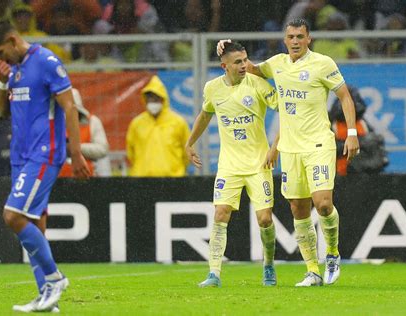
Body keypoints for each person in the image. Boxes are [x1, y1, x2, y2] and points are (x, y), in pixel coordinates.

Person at [217, 18, 360, 287]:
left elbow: (344, 96)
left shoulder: (323, 63)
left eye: (299, 36)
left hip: (318, 143)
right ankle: (312, 270)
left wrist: (351, 133)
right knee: (298, 208)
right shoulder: (277, 64)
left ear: (309, 39)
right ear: (285, 40)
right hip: (290, 149)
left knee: (323, 203)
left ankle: (332, 254)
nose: (295, 41)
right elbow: (245, 68)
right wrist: (226, 49)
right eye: (290, 37)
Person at [0, 20, 90, 312]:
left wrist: (76, 153)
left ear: (14, 41)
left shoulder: (46, 61)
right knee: (35, 225)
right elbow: (3, 112)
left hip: (44, 153)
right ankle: (47, 297)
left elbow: (69, 107)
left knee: (13, 216)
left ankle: (55, 279)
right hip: (21, 155)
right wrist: (2, 82)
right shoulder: (13, 69)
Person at [186, 41, 279, 288]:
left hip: (259, 164)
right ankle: (214, 273)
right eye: (238, 62)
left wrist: (275, 147)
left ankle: (268, 264)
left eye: (246, 60)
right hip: (229, 165)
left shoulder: (258, 84)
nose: (244, 65)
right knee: (220, 213)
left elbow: (287, 111)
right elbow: (205, 115)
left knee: (265, 220)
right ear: (224, 66)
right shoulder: (213, 88)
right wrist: (189, 143)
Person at [126, 75, 190, 177]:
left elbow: (187, 153)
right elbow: (131, 153)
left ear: (163, 100)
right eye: (149, 99)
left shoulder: (178, 122)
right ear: (145, 100)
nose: (152, 102)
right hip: (142, 180)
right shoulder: (137, 123)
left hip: (173, 180)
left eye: (156, 99)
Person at [58, 88, 109, 177]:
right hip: (56, 180)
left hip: (86, 178)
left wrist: (75, 148)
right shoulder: (51, 123)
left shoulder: (92, 122)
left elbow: (102, 149)